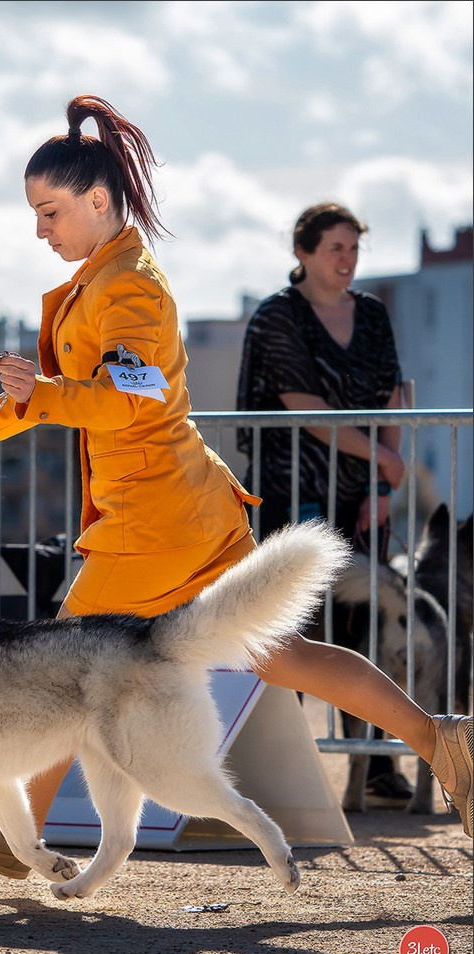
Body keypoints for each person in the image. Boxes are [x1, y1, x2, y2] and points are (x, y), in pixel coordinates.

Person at [0, 96, 473, 879]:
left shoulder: (131, 291)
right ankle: (442, 740)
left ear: (98, 200)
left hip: (155, 518)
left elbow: (125, 400)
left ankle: (12, 835)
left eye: (48, 212)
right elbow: (72, 396)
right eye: (35, 214)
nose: (40, 230)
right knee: (280, 656)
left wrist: (36, 393)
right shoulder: (107, 280)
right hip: (180, 508)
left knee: (59, 665)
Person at [235, 203, 410, 806]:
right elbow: (302, 406)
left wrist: (384, 485)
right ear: (303, 252)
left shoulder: (373, 315)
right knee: (289, 633)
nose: (347, 259)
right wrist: (382, 460)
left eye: (354, 248)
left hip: (360, 494)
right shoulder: (275, 317)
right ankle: (281, 775)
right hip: (292, 492)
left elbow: (393, 395)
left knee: (369, 626)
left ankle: (378, 767)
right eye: (335, 247)